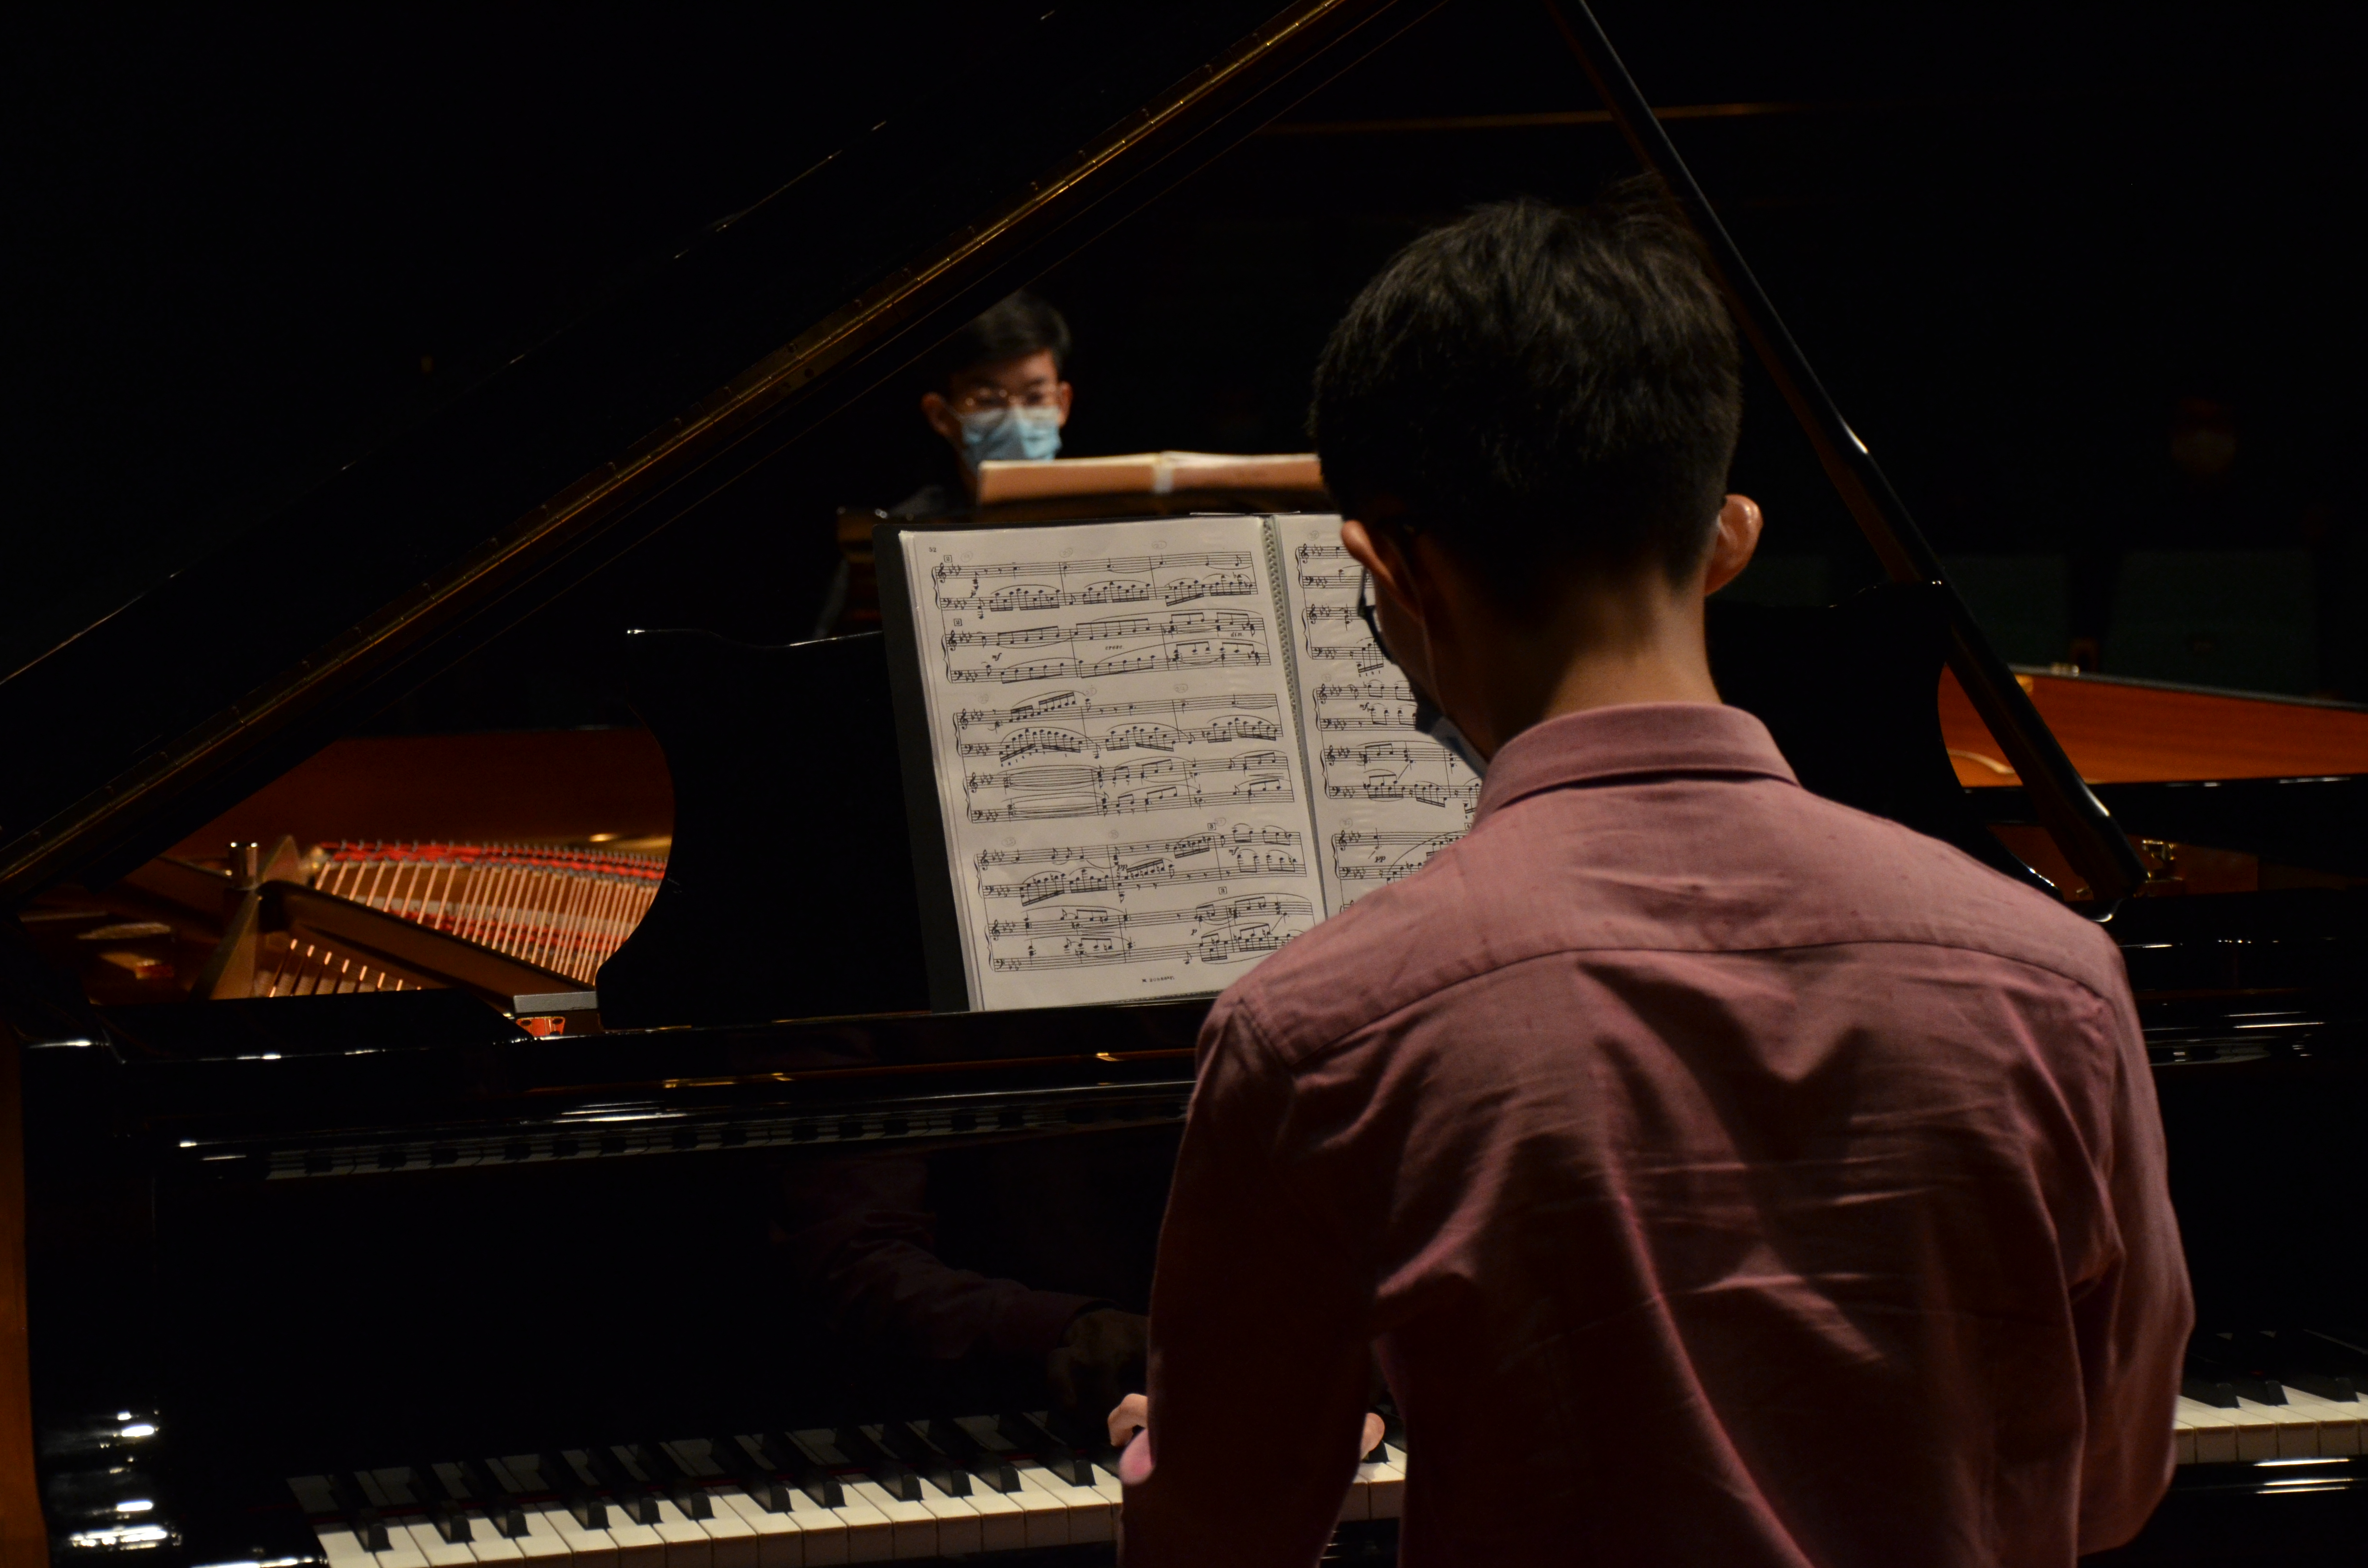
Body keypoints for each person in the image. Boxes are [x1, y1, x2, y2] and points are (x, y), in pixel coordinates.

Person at [1115, 193, 2190, 1566]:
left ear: (1390, 567)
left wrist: (1172, 1437)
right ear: (1729, 538)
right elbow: (2108, 1485)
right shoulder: (2060, 979)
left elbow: (1222, 1538)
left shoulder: (1317, 1028)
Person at [896, 289, 1075, 519]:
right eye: (989, 401)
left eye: (1035, 398)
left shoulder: (1108, 519)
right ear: (940, 415)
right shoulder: (903, 535)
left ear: (1062, 404)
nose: (1017, 421)